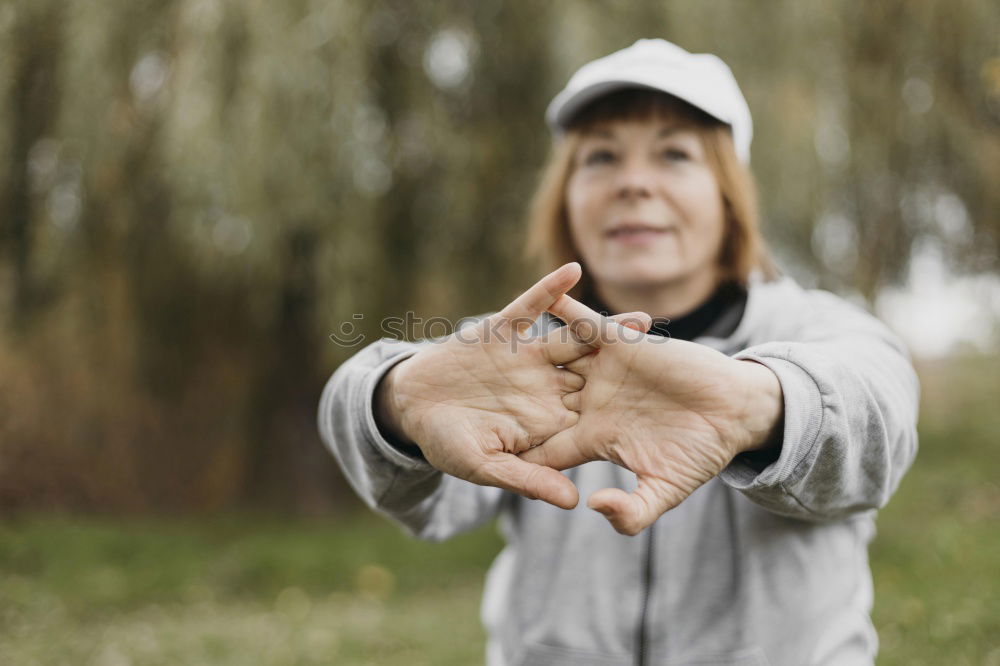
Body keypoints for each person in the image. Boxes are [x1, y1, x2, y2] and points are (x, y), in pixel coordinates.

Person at [318, 39, 919, 666]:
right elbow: (393, 452)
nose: (633, 183)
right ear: (566, 197)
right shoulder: (512, 352)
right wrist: (396, 401)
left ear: (728, 195)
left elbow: (877, 423)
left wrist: (758, 405)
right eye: (601, 157)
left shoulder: (816, 327)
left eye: (675, 154)